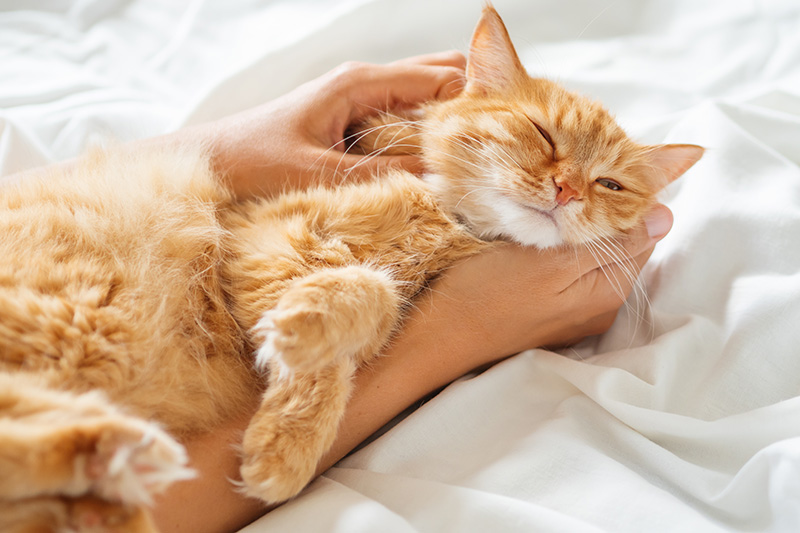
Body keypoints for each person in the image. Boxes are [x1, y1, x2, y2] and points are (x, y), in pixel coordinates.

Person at [9, 52, 674, 532]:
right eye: (540, 137)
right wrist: (444, 331)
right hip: (107, 276)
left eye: (612, 185)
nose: (567, 186)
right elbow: (266, 251)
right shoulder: (408, 195)